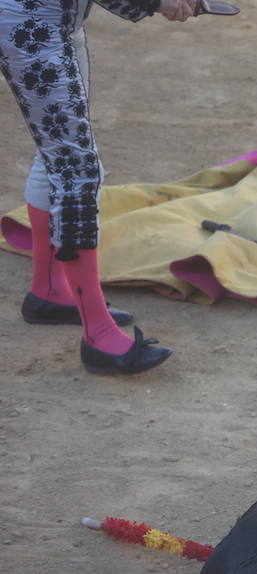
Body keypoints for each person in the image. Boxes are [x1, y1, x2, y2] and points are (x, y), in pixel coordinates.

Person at [1, 0, 194, 375]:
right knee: (76, 168)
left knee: (58, 156)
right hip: (30, 24)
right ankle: (99, 335)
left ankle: (50, 291)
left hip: (57, 19)